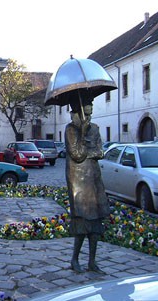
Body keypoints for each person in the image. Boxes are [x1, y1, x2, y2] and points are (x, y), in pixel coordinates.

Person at [65, 93, 110, 273]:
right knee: (82, 223)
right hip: (78, 182)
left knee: (96, 224)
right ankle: (74, 259)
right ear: (77, 112)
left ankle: (92, 261)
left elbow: (100, 152)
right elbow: (77, 154)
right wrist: (82, 134)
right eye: (86, 114)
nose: (89, 118)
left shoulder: (96, 128)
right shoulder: (70, 130)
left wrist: (90, 150)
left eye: (91, 115)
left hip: (94, 179)